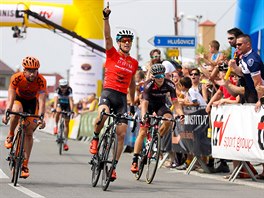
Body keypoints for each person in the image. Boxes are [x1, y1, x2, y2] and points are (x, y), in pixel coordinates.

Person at [89, 5, 138, 181]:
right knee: (103, 114)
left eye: (129, 40)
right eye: (124, 40)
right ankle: (95, 138)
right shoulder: (111, 54)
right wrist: (106, 18)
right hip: (109, 92)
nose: (127, 42)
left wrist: (132, 102)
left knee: (122, 133)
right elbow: (107, 36)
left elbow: (132, 83)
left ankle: (113, 167)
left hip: (122, 98)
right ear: (119, 42)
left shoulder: (133, 62)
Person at [130, 63, 185, 173]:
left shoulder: (170, 84)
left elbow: (175, 102)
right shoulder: (148, 84)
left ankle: (157, 138)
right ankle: (135, 159)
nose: (160, 79)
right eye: (157, 77)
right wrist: (144, 116)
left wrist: (181, 114)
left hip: (160, 105)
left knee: (168, 119)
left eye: (162, 76)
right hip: (149, 105)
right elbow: (144, 102)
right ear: (153, 77)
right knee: (142, 132)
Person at [2, 56, 46, 178]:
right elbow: (11, 93)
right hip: (18, 99)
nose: (32, 74)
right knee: (16, 110)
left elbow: (42, 100)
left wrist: (42, 117)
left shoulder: (41, 80)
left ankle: (25, 164)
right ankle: (11, 135)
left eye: (35, 70)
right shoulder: (16, 78)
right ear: (24, 70)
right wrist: (8, 110)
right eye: (30, 71)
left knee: (29, 132)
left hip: (32, 103)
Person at [52, 79, 74, 151]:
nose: (63, 88)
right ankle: (55, 126)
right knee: (58, 111)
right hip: (60, 104)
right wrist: (55, 109)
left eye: (65, 87)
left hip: (67, 105)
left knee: (67, 124)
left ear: (67, 86)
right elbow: (55, 100)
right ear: (60, 86)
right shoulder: (57, 90)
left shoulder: (69, 90)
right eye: (62, 87)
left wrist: (72, 110)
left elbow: (71, 101)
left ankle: (66, 142)